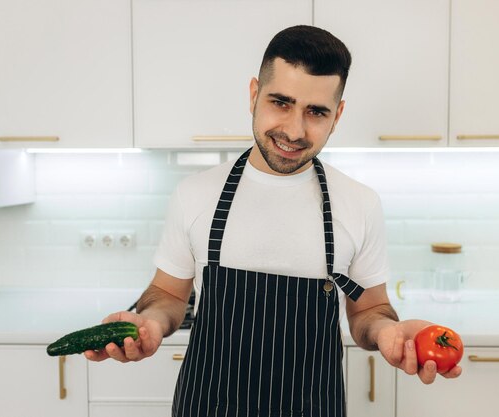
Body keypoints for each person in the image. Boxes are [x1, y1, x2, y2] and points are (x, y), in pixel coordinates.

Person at [85, 25, 462, 416]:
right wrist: (148, 324)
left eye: (316, 112)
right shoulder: (196, 195)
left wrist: (390, 333)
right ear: (253, 95)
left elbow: (369, 310)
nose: (294, 131)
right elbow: (169, 295)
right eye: (280, 102)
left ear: (338, 116)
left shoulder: (359, 204)